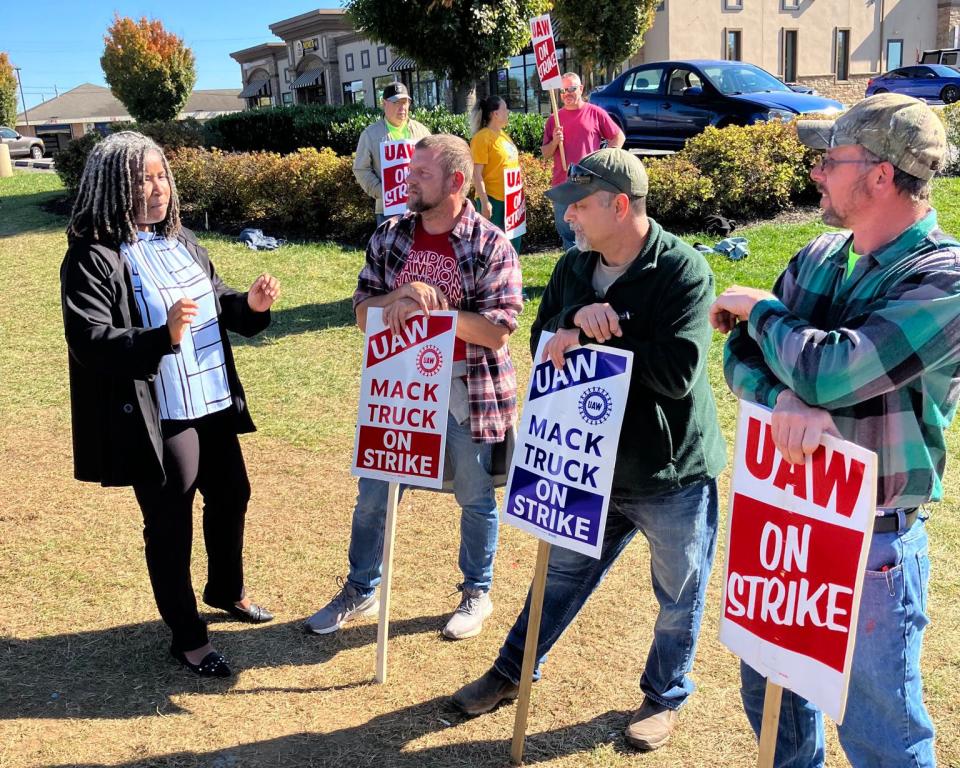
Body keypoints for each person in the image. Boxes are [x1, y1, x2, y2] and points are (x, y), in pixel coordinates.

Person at [710, 93, 959, 767]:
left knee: (882, 738)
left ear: (880, 175)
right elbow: (736, 357)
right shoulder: (819, 254)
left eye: (830, 160)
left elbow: (834, 370)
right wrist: (781, 398)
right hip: (783, 527)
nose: (817, 174)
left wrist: (763, 312)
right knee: (773, 706)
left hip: (872, 549)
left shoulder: (945, 278)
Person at [452, 148, 726, 751]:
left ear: (620, 205)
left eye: (579, 204)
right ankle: (510, 674)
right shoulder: (576, 267)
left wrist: (609, 329)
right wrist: (576, 318)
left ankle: (665, 696)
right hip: (587, 462)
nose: (570, 217)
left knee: (679, 591)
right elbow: (539, 335)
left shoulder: (683, 270)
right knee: (557, 577)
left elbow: (679, 372)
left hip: (669, 471)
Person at [60, 132, 280, 678]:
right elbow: (88, 338)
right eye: (142, 180)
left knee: (232, 493)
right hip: (157, 413)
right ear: (114, 187)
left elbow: (217, 297)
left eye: (162, 176)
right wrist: (160, 337)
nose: (157, 189)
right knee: (169, 521)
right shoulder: (93, 256)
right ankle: (187, 637)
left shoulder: (179, 241)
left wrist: (248, 307)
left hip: (208, 398)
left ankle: (225, 589)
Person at [305, 134, 523, 641]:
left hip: (468, 388)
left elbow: (496, 330)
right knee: (374, 497)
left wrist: (438, 312)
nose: (407, 179)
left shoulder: (490, 243)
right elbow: (362, 314)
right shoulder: (389, 236)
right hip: (398, 387)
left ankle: (477, 591)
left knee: (474, 498)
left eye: (421, 173)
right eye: (409, 170)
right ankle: (361, 588)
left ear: (455, 181)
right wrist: (401, 293)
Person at [542, 72, 625, 250]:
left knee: (591, 231)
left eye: (571, 88)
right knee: (567, 232)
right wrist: (555, 142)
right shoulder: (553, 119)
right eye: (563, 90)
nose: (567, 93)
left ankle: (593, 267)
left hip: (588, 182)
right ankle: (572, 269)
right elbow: (545, 153)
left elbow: (618, 136)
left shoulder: (595, 113)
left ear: (580, 89)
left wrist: (604, 160)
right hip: (562, 184)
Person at [353, 81, 431, 225]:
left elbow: (433, 163)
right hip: (388, 211)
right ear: (384, 104)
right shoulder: (370, 134)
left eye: (405, 102)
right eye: (396, 103)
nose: (402, 107)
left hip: (419, 207)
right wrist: (382, 192)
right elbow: (361, 169)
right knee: (389, 248)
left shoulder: (422, 131)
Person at [470, 94, 523, 253]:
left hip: (512, 201)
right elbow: (476, 173)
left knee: (513, 244)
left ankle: (512, 276)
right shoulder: (481, 138)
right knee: (493, 246)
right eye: (505, 109)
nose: (508, 113)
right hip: (494, 199)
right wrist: (485, 202)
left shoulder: (504, 136)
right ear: (495, 114)